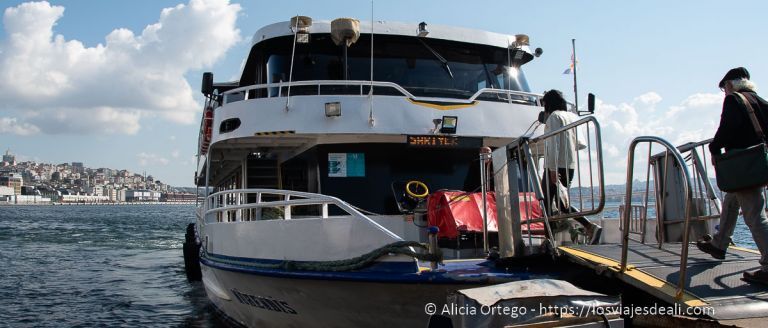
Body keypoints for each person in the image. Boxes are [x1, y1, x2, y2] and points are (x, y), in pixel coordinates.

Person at [698, 67, 768, 285]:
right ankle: (719, 244)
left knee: (755, 216)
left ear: (730, 85)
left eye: (724, 88)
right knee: (731, 202)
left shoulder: (734, 100)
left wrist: (714, 149)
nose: (725, 92)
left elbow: (726, 128)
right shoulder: (760, 102)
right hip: (757, 164)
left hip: (742, 165)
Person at [540, 89, 602, 244]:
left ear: (548, 103)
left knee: (545, 202)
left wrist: (552, 169)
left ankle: (549, 241)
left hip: (554, 166)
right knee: (562, 204)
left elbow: (553, 143)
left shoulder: (554, 117)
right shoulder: (571, 116)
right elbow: (581, 144)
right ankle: (589, 226)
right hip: (569, 165)